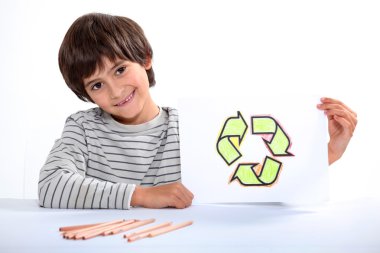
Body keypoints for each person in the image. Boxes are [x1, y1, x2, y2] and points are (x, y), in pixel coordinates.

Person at [38, 13, 357, 210]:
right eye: (96, 85)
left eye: (120, 69)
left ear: (145, 58)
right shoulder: (82, 129)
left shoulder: (192, 127)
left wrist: (326, 154)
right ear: (85, 93)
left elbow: (251, 187)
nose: (115, 90)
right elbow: (51, 186)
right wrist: (142, 196)